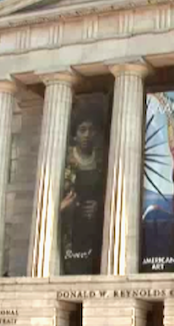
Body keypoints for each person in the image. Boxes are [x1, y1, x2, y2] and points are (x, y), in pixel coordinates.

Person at [60, 109, 106, 275]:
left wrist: (99, 206)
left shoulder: (103, 159)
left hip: (92, 225)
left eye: (91, 130)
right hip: (69, 225)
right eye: (82, 130)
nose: (87, 134)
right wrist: (62, 206)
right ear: (75, 134)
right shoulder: (62, 158)